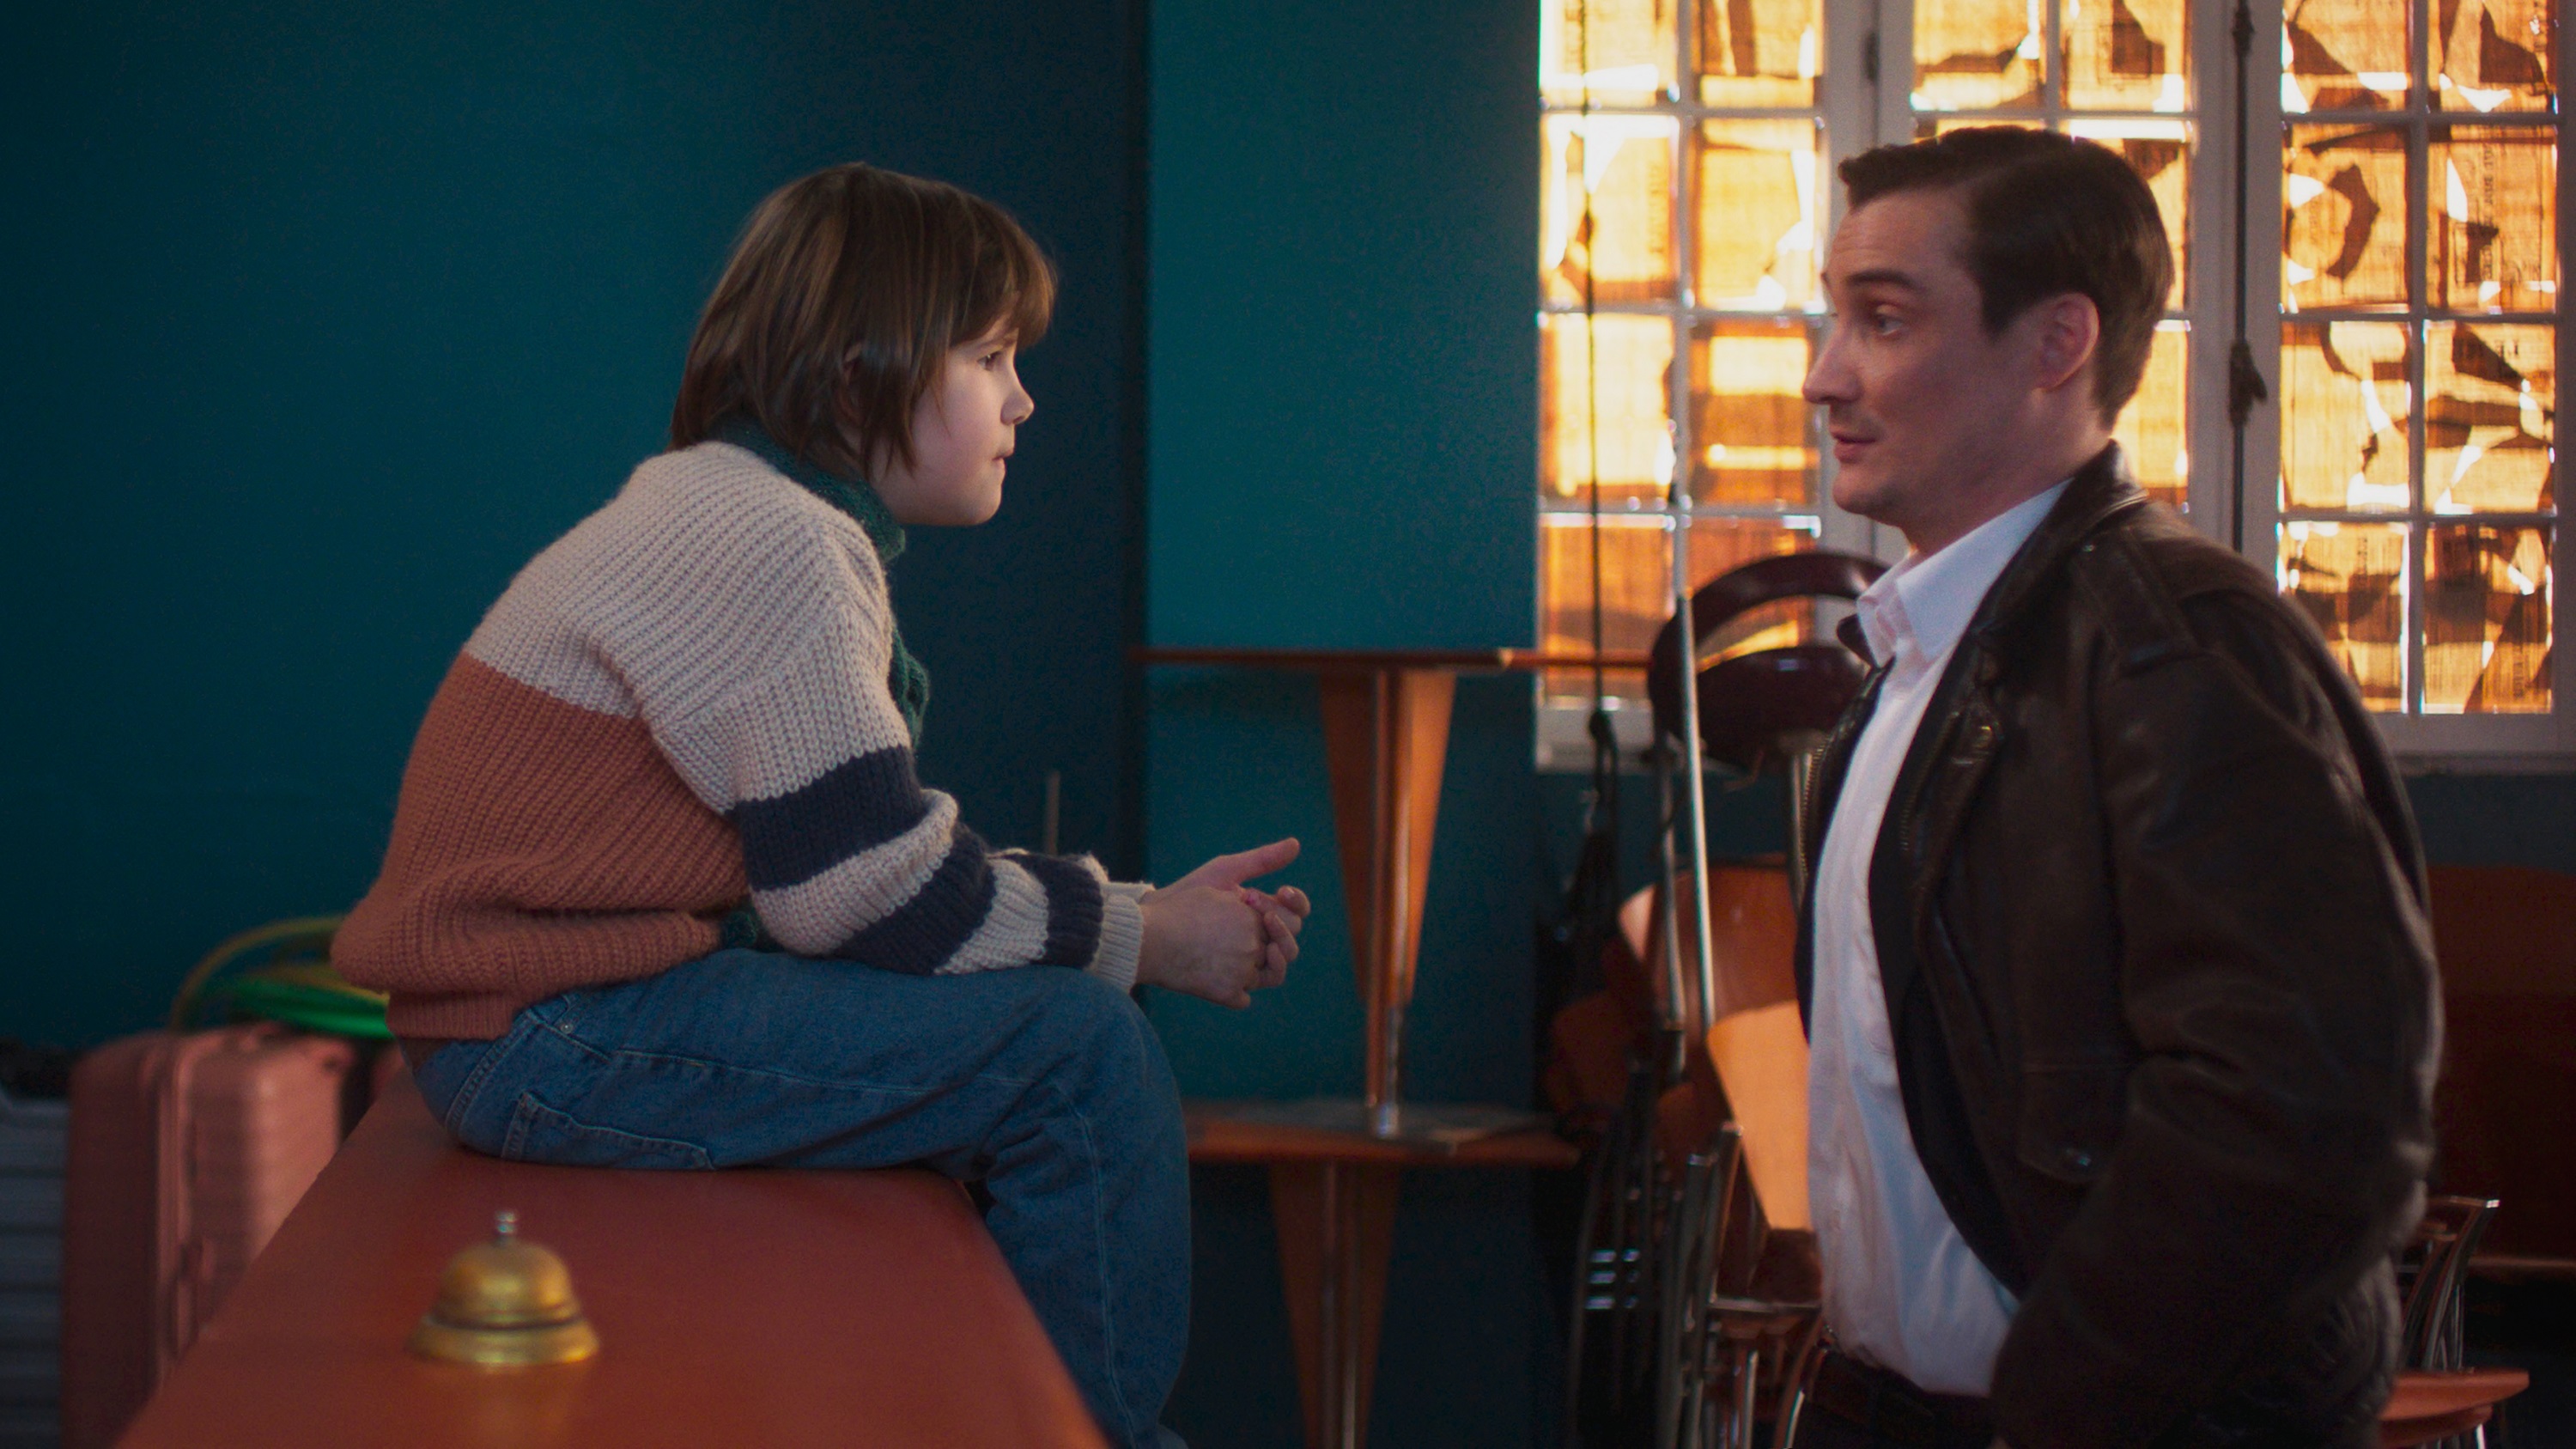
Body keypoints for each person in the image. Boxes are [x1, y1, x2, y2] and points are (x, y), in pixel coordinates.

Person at [334, 162, 1309, 1449]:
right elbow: (871, 900)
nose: (1024, 398)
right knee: (1083, 1058)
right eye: (991, 357)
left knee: (1029, 1038)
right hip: (546, 1031)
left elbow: (858, 870)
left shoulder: (728, 507)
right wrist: (1147, 939)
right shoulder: (778, 543)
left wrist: (1137, 911)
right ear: (859, 382)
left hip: (530, 1021)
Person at [1790, 127, 2439, 1448]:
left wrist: (2062, 1404)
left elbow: (2305, 1112)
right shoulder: (1925, 653)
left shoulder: (2170, 646)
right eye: (1836, 317)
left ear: (2057, 344)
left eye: (1885, 321)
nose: (1825, 375)